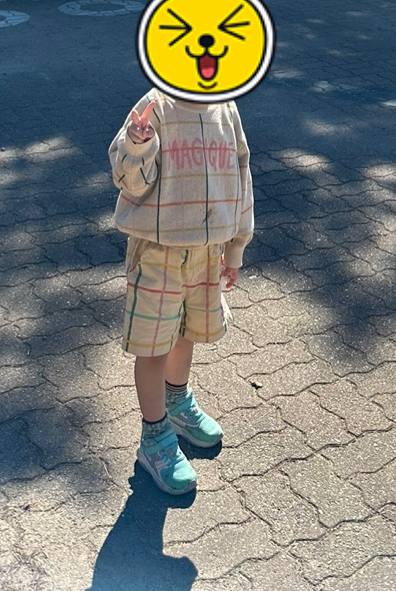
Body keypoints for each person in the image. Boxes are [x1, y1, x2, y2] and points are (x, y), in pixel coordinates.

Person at [109, 90, 254, 495]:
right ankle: (154, 436)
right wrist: (138, 144)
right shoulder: (156, 108)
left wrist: (236, 246)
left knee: (187, 331)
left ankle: (177, 402)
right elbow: (128, 181)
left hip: (207, 251)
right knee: (153, 346)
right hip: (158, 251)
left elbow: (242, 176)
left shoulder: (226, 107)